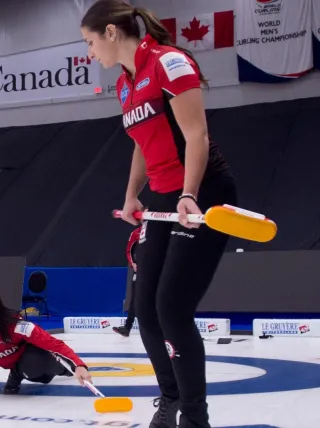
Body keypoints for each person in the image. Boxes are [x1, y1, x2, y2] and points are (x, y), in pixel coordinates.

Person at [80, 2, 238, 427]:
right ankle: (169, 402)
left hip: (203, 191)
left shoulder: (171, 62)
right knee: (145, 310)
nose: (90, 53)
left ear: (111, 32)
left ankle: (195, 417)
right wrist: (133, 195)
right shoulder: (125, 84)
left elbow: (196, 134)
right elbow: (141, 143)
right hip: (163, 199)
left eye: (90, 42)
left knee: (172, 307)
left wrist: (190, 194)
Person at [114, 225, 140, 337]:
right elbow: (129, 249)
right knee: (134, 300)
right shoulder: (137, 233)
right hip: (141, 270)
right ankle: (127, 328)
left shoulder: (162, 230)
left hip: (158, 270)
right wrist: (133, 264)